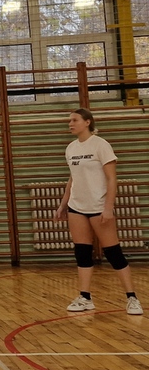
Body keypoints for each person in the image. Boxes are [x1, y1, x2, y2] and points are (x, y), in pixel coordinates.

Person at [54, 108, 142, 315]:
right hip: (77, 207)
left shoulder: (101, 145)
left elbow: (111, 178)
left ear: (87, 122)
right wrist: (63, 204)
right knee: (82, 252)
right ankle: (85, 297)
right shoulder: (71, 148)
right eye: (69, 120)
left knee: (113, 253)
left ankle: (132, 298)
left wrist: (108, 207)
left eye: (74, 120)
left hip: (98, 207)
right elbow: (72, 178)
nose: (70, 123)